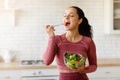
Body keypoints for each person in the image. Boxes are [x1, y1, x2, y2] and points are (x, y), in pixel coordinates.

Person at [43, 6, 97, 80]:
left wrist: (83, 69)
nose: (66, 17)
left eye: (71, 15)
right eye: (65, 15)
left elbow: (94, 66)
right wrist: (51, 37)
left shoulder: (88, 41)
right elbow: (46, 61)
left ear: (79, 21)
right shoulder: (57, 40)